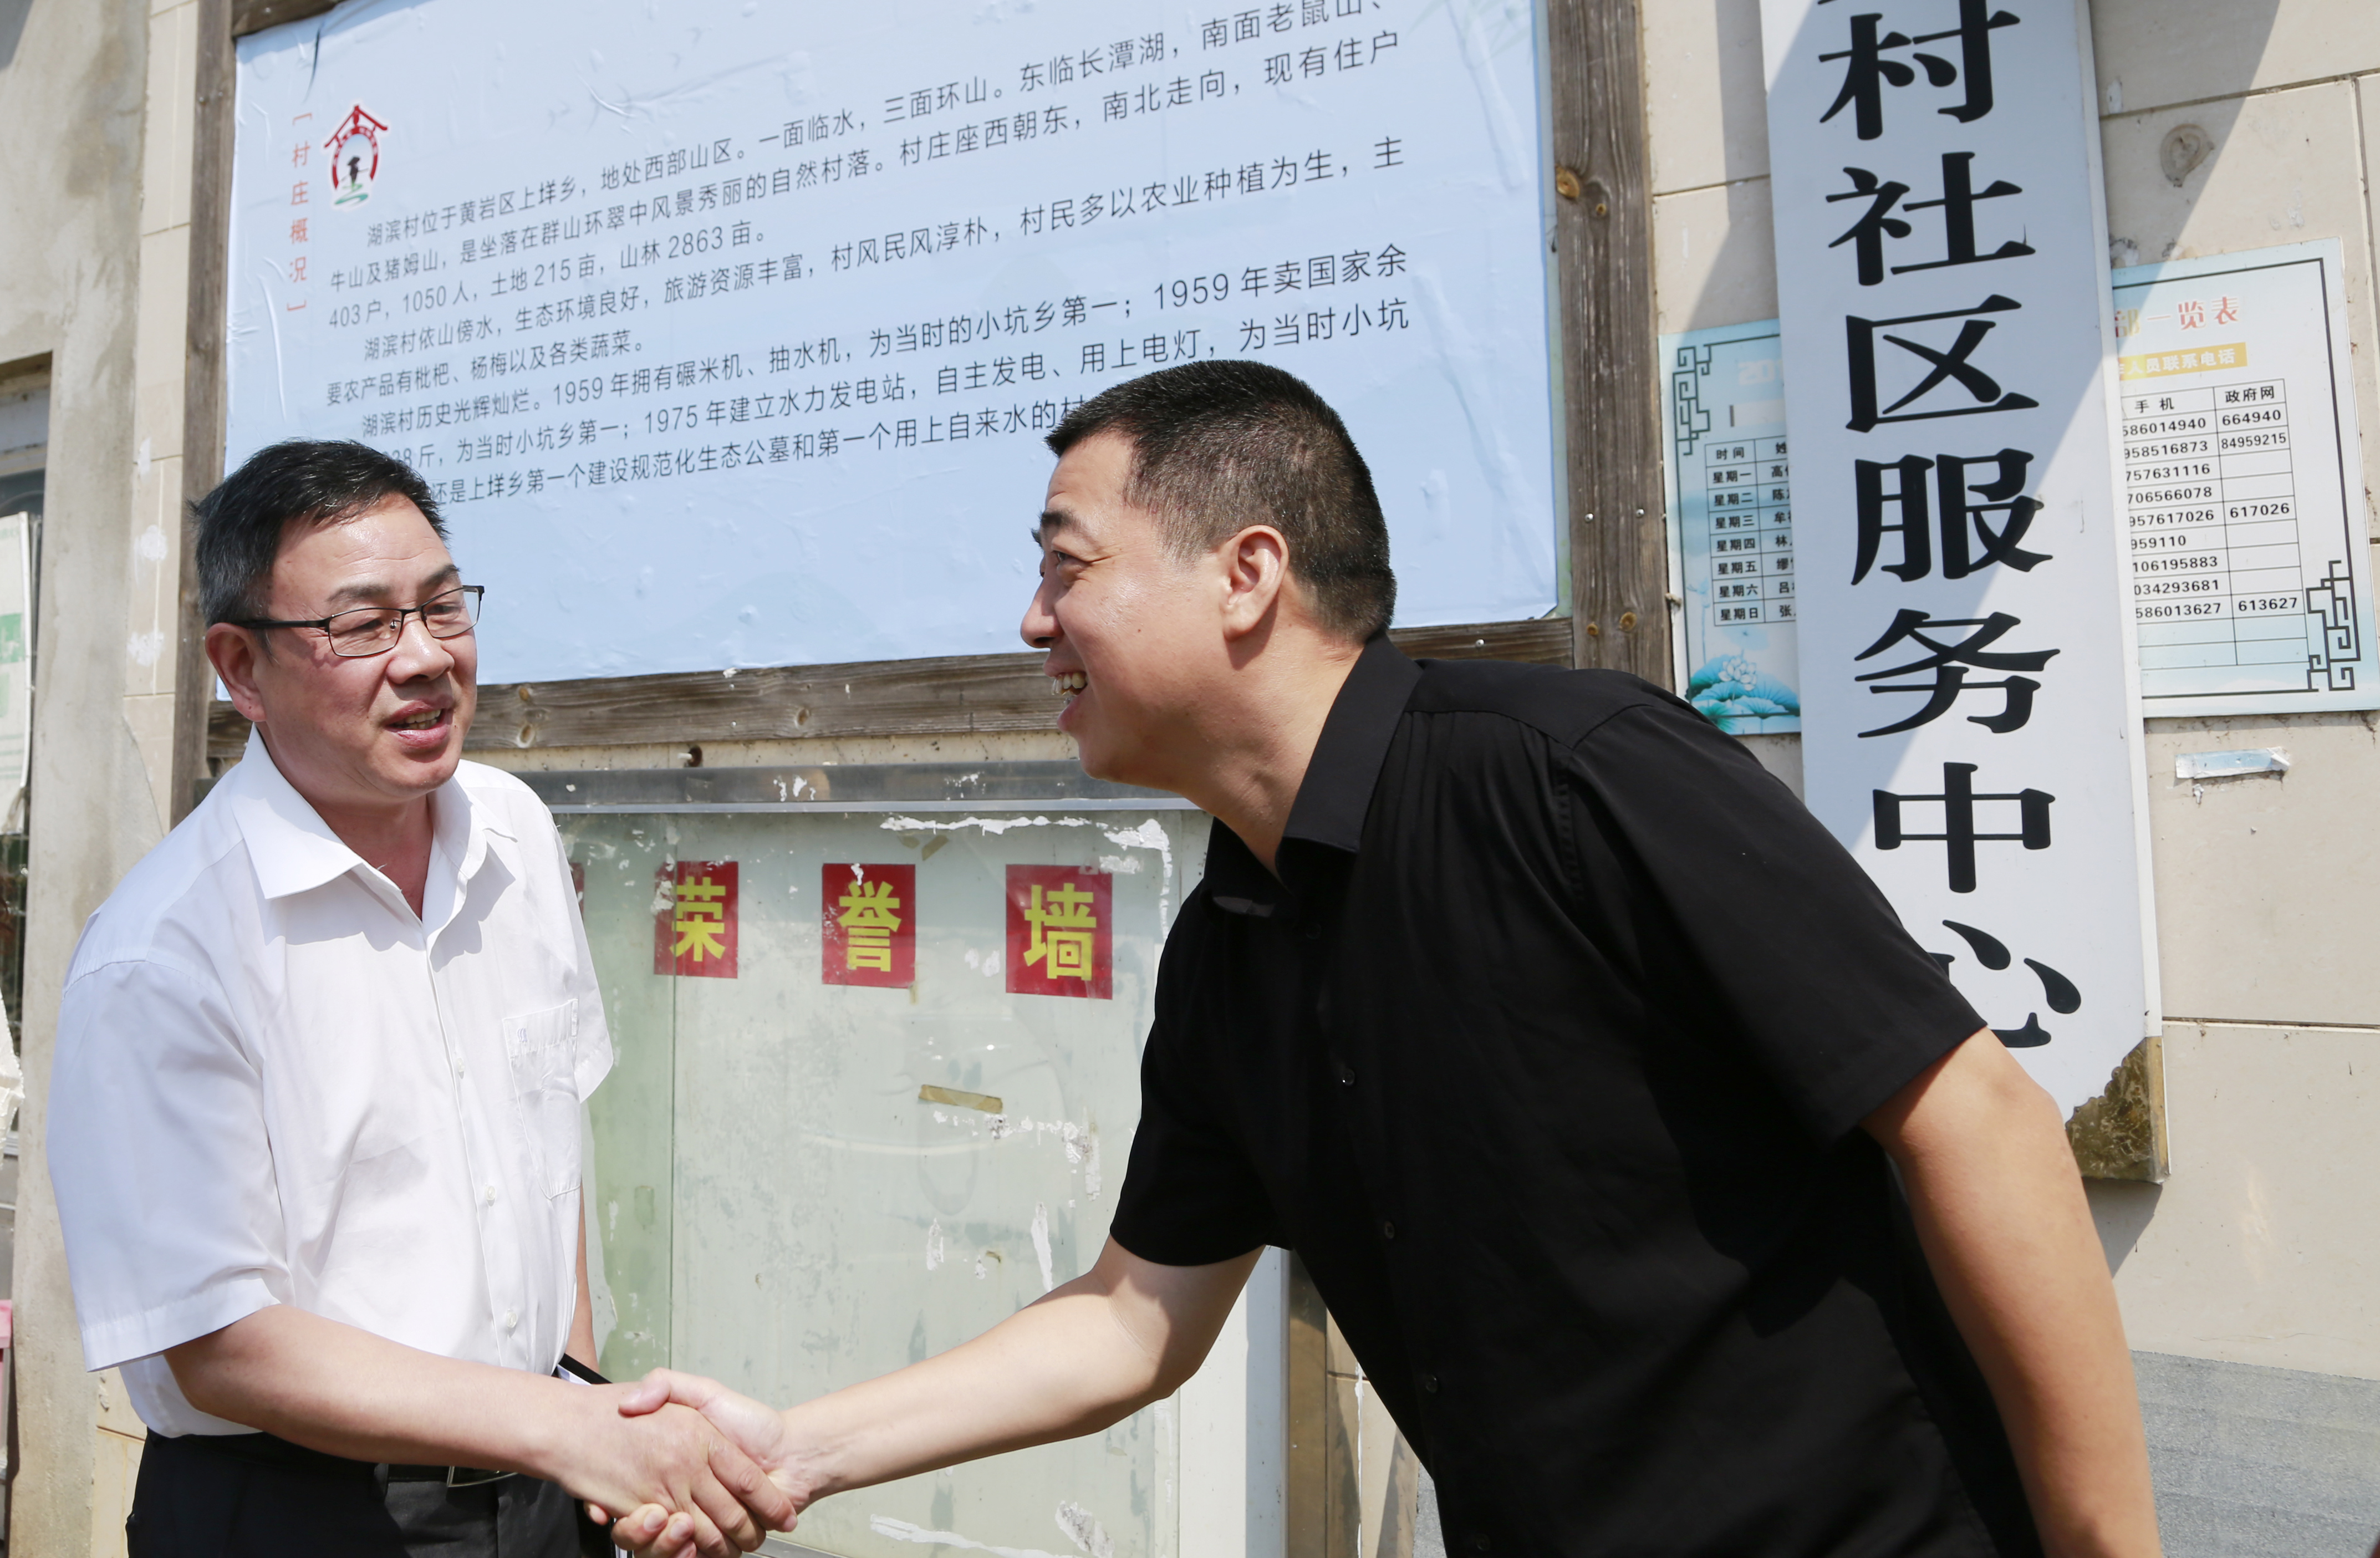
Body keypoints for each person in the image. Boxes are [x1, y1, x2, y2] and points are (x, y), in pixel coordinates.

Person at [602, 362, 2160, 1557]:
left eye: (1067, 565)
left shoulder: (1572, 775)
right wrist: (793, 1450)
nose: (1031, 621)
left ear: (1245, 573)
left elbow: (1971, 1116)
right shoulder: (1230, 938)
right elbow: (1136, 1316)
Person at [47, 441, 794, 1558]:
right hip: (301, 1514)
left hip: (547, 1487)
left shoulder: (513, 833)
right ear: (241, 667)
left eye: (443, 607)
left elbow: (548, 1158)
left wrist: (584, 1412)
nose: (426, 657)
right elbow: (219, 1342)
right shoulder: (163, 952)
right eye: (362, 625)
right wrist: (570, 1427)